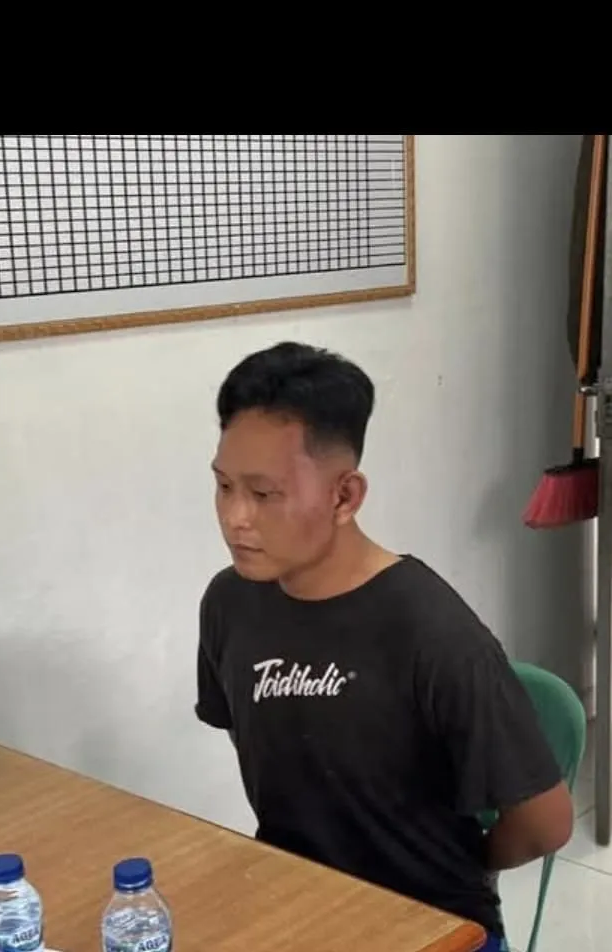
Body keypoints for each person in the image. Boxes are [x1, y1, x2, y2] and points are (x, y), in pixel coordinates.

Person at [195, 341, 574, 950]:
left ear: (345, 496)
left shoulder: (432, 631)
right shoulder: (229, 603)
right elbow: (264, 752)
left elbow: (545, 823)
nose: (236, 517)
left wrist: (453, 872)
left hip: (431, 925)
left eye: (263, 495)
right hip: (299, 905)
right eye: (223, 486)